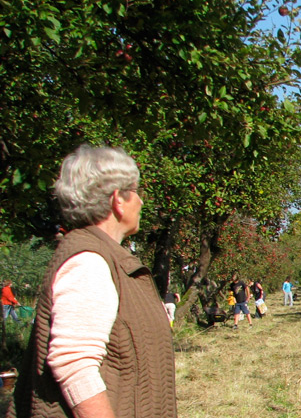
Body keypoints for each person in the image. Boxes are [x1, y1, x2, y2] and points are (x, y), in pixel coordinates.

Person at [9, 144, 176, 417]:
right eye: (136, 191)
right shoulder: (89, 262)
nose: (142, 201)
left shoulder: (106, 257)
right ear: (117, 200)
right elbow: (75, 365)